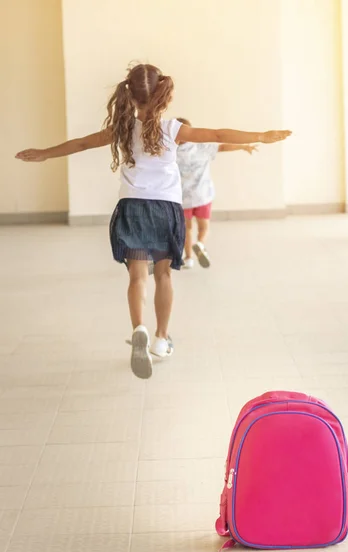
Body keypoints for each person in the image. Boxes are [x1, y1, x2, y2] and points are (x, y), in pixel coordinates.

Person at [15, 63, 292, 380]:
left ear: (129, 95)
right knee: (163, 276)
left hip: (132, 207)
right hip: (165, 208)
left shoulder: (122, 129)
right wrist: (261, 135)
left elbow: (80, 143)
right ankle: (161, 339)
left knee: (136, 277)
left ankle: (139, 329)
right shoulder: (173, 129)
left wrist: (44, 153)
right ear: (161, 94)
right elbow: (215, 135)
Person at [176, 118, 258, 269]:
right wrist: (243, 146)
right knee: (204, 227)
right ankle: (200, 244)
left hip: (182, 199)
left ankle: (188, 258)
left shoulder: (170, 151)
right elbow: (223, 147)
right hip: (203, 195)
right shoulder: (201, 146)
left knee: (186, 229)